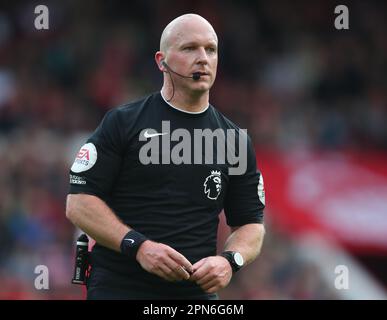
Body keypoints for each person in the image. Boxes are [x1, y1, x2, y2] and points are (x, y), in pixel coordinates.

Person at [66, 13, 265, 300]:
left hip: (193, 294)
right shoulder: (123, 123)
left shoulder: (234, 140)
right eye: (189, 48)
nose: (203, 58)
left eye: (210, 50)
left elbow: (251, 224)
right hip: (120, 288)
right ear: (161, 61)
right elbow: (78, 203)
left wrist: (230, 261)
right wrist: (140, 247)